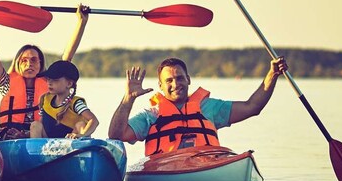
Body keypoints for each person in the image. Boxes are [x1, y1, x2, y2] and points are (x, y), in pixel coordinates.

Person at [107, 56, 289, 156]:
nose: (175, 83)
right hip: (164, 169)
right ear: (161, 86)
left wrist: (272, 74)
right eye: (168, 80)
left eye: (179, 78)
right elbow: (115, 135)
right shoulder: (151, 115)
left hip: (207, 165)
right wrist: (128, 99)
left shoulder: (209, 108)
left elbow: (252, 107)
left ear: (188, 80)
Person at [0, 1, 90, 139]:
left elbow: (67, 57)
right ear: (18, 63)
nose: (29, 64)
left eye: (34, 60)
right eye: (24, 60)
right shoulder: (5, 83)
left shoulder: (50, 85)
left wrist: (81, 23)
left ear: (40, 63)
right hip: (11, 138)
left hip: (40, 138)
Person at [30, 60, 98, 139]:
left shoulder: (76, 103)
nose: (49, 83)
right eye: (48, 79)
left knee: (81, 125)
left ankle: (82, 147)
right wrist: (25, 134)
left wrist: (81, 135)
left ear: (69, 84)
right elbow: (42, 124)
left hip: (70, 142)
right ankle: (35, 150)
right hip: (48, 143)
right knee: (35, 125)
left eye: (55, 80)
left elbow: (94, 120)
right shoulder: (45, 99)